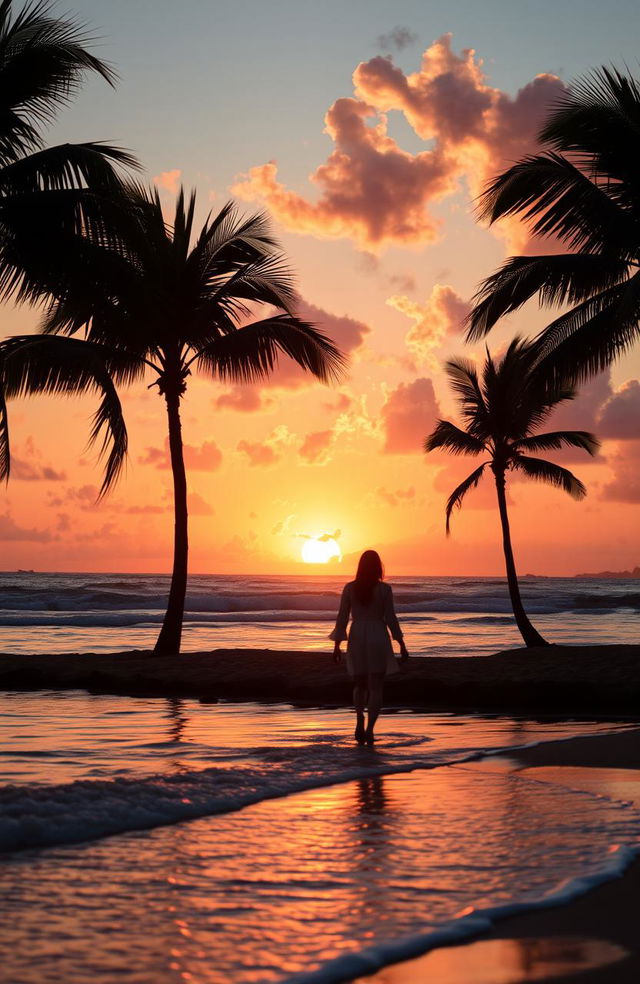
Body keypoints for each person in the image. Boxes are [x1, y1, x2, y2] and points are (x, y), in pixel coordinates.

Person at [330, 550, 408, 745]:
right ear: (378, 567)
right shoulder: (384, 590)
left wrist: (337, 645)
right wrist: (401, 643)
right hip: (378, 636)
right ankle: (370, 730)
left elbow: (342, 618)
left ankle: (359, 719)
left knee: (360, 684)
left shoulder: (349, 588)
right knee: (376, 687)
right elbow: (390, 618)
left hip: (357, 635)